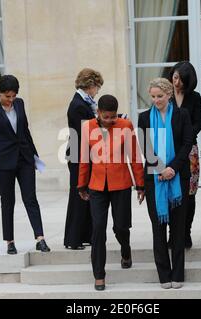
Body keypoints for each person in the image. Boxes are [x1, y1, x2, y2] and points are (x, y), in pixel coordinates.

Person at [78, 94, 145, 291]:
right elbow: (83, 158)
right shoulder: (87, 127)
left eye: (112, 117)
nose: (109, 120)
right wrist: (81, 185)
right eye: (105, 116)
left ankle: (126, 250)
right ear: (98, 112)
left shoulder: (125, 125)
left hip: (121, 184)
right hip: (96, 186)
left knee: (121, 226)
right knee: (98, 229)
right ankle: (99, 274)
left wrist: (140, 185)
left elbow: (134, 156)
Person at [0, 75, 51, 254]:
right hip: (3, 162)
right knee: (8, 201)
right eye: (7, 96)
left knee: (31, 198)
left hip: (24, 159)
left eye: (13, 96)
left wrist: (35, 157)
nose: (11, 100)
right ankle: (10, 241)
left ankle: (40, 238)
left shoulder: (19, 104)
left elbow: (25, 131)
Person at [138, 78, 193, 289]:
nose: (156, 100)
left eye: (159, 96)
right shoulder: (144, 117)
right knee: (158, 228)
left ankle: (178, 274)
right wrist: (161, 168)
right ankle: (164, 275)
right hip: (154, 178)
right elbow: (145, 146)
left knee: (178, 229)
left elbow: (188, 142)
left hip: (178, 176)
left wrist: (172, 168)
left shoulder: (182, 115)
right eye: (152, 96)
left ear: (169, 94)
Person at [64, 68, 104, 250]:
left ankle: (85, 234)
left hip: (82, 154)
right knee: (79, 195)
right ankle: (74, 239)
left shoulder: (84, 103)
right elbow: (86, 132)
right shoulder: (78, 105)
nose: (97, 91)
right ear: (89, 85)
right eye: (97, 87)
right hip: (78, 156)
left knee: (86, 194)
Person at [168, 61, 201, 249]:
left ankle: (186, 232)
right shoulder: (165, 95)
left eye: (180, 79)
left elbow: (198, 122)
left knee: (189, 193)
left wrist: (187, 135)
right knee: (171, 191)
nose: (176, 82)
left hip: (190, 150)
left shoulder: (195, 98)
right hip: (169, 149)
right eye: (174, 77)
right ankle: (172, 234)